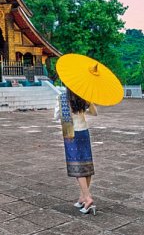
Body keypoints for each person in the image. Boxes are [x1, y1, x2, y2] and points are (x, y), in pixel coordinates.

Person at [56, 87, 96, 215]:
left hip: (71, 133)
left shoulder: (62, 98)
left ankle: (88, 197)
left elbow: (56, 115)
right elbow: (94, 113)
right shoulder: (84, 97)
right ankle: (82, 197)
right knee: (86, 164)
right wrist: (88, 102)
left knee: (77, 166)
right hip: (84, 132)